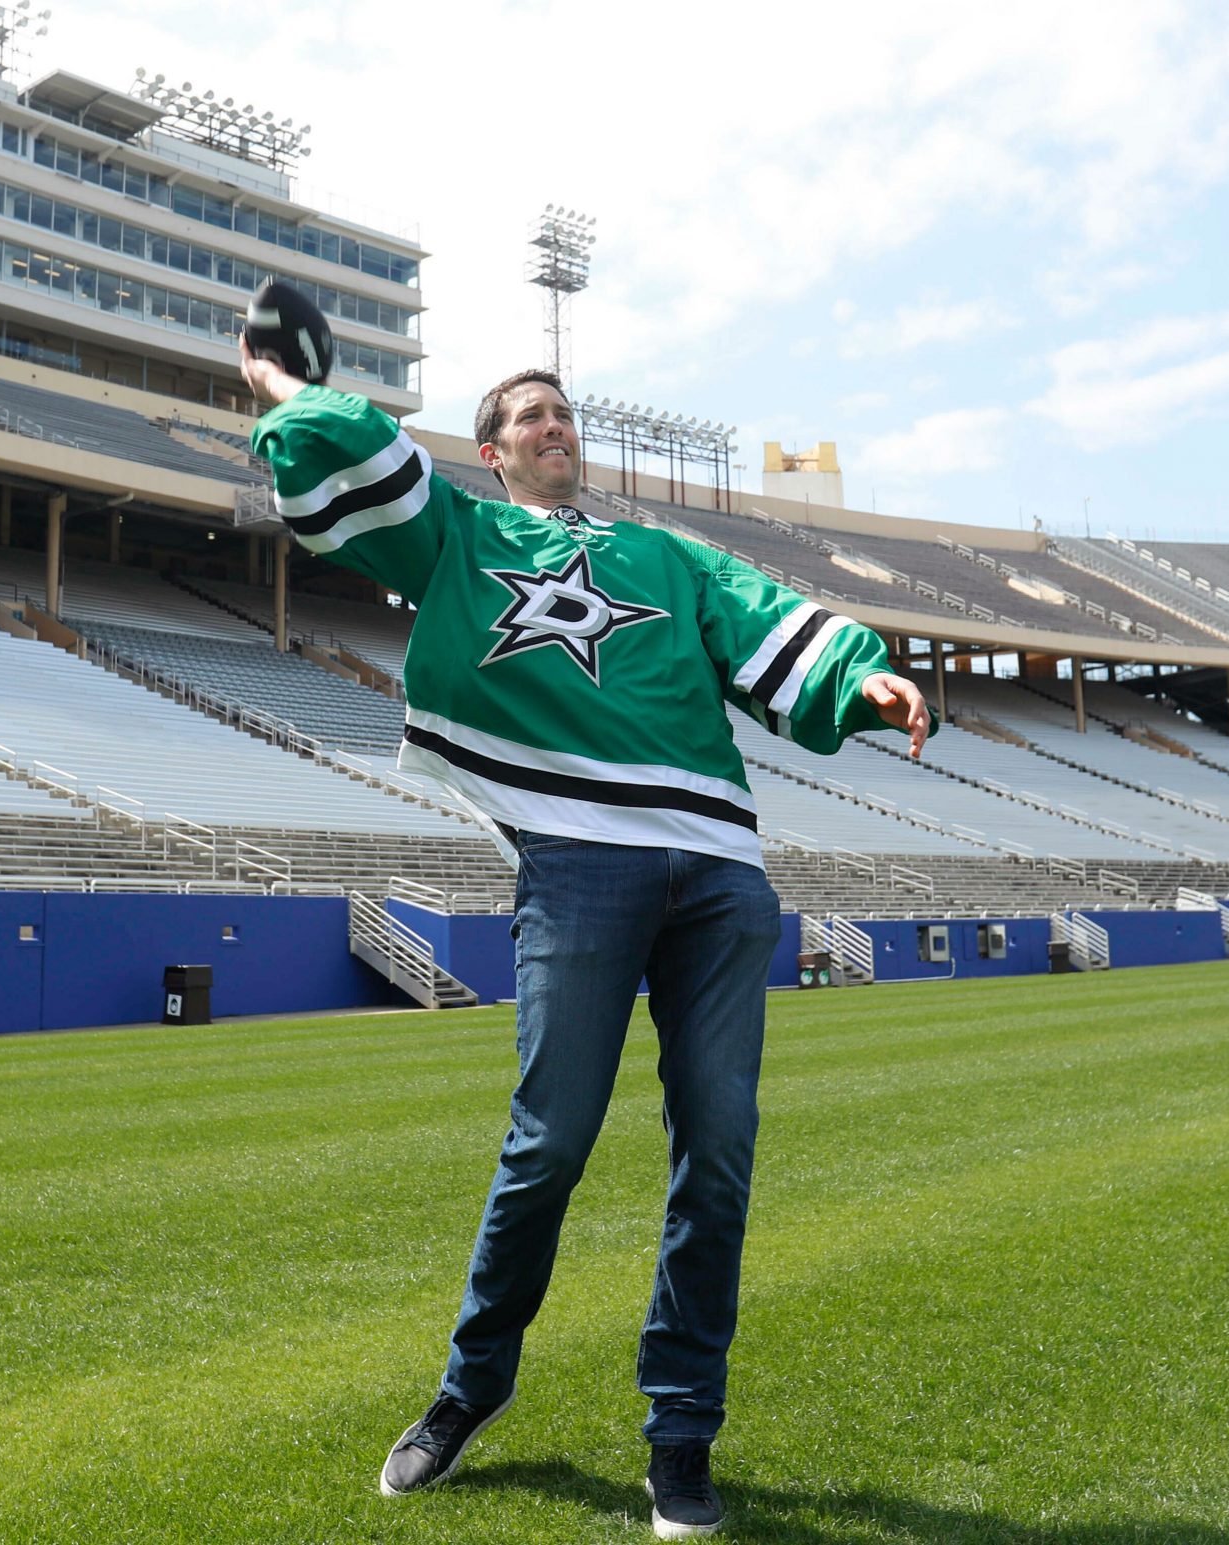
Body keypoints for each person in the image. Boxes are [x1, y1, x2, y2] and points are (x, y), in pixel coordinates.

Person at [241, 344, 928, 1539]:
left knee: (716, 1152)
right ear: (493, 448)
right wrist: (292, 397)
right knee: (548, 1143)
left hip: (718, 871)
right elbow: (359, 467)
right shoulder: (457, 537)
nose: (556, 427)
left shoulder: (664, 556)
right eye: (531, 416)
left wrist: (862, 680)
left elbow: (770, 627)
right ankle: (471, 1388)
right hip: (575, 868)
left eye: (565, 414)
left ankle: (680, 1436)